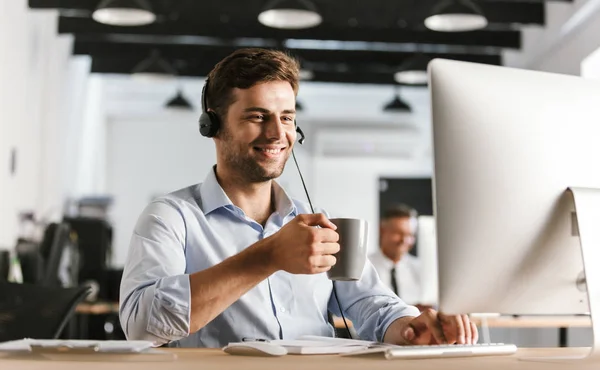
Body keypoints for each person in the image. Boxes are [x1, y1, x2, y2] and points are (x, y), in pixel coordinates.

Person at [119, 48, 478, 348]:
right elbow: (141, 325)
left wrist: (411, 328)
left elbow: (372, 303)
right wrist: (267, 256)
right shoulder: (170, 217)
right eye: (258, 117)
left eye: (287, 118)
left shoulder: (317, 221)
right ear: (213, 126)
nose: (278, 133)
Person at [369, 204, 427, 309]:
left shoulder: (420, 269)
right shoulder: (365, 267)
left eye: (409, 235)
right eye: (398, 233)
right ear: (382, 231)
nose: (404, 241)